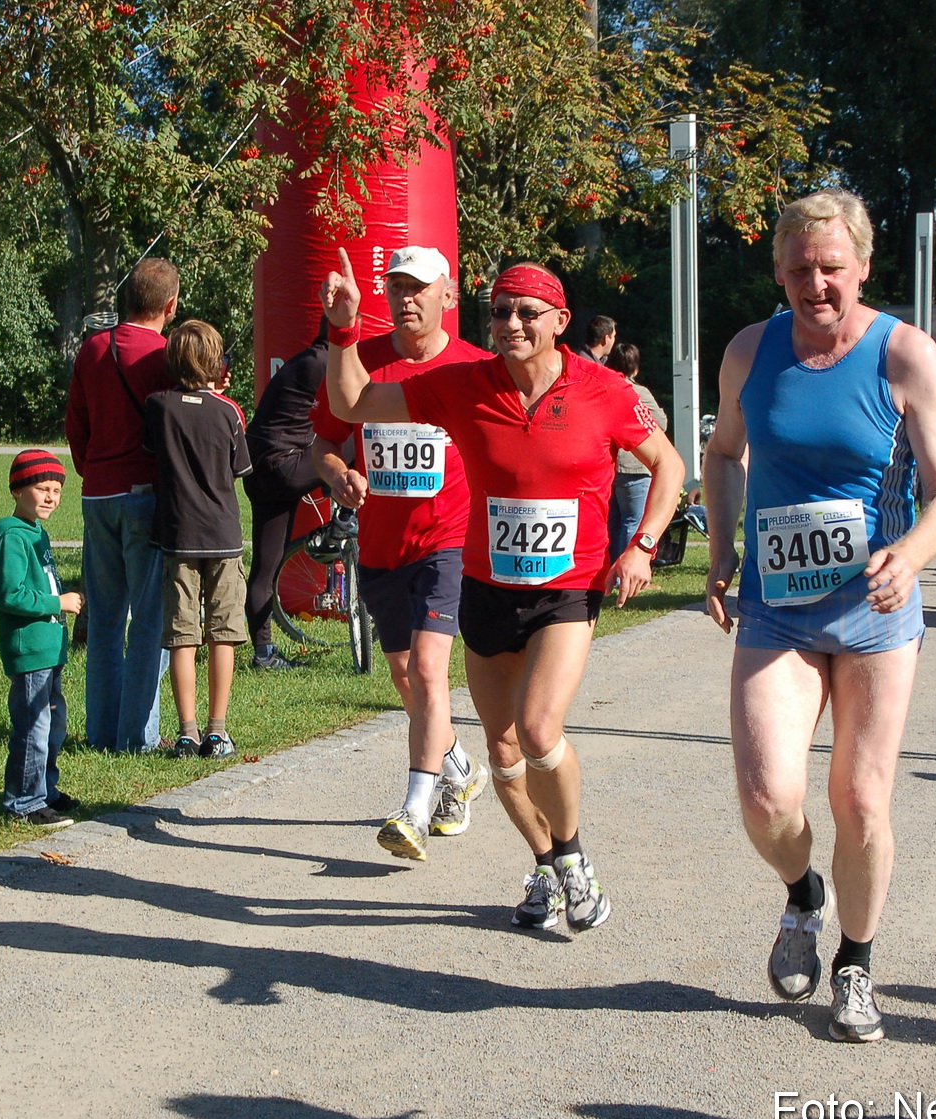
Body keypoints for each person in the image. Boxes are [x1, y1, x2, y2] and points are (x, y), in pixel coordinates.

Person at [323, 251, 684, 933]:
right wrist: (343, 331)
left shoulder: (605, 389)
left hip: (567, 590)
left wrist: (641, 546)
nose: (511, 324)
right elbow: (351, 404)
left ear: (561, 320)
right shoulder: (463, 385)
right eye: (500, 313)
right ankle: (546, 864)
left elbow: (668, 463)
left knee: (541, 730)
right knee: (504, 752)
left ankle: (573, 859)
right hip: (487, 588)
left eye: (527, 313)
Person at [702, 188, 936, 1043]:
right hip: (776, 608)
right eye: (799, 270)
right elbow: (723, 452)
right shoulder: (751, 350)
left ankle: (855, 961)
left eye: (831, 268)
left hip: (874, 610)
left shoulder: (906, 354)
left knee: (859, 799)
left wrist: (910, 555)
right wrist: (720, 552)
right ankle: (802, 893)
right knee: (766, 798)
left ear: (863, 266)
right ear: (778, 272)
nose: (816, 285)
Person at [309, 246, 493, 861]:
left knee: (430, 670)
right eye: (396, 287)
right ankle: (459, 767)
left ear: (448, 295)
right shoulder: (360, 362)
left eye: (419, 287)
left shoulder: (478, 367)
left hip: (450, 540)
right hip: (384, 545)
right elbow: (323, 441)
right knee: (404, 676)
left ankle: (416, 807)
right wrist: (338, 473)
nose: (406, 298)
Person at [65, 259, 179, 752]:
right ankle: (137, 735)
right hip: (145, 494)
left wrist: (92, 470)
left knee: (106, 620)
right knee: (151, 619)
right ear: (170, 305)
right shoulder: (167, 356)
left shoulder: (94, 347)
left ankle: (100, 730)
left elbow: (76, 423)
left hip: (98, 494)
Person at [145, 319, 253, 758]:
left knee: (182, 635)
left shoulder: (158, 406)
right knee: (222, 632)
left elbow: (151, 451)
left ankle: (186, 732)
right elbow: (239, 468)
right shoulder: (229, 412)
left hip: (178, 535)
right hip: (223, 534)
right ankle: (217, 730)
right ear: (215, 363)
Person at [0, 451, 85, 827]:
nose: (51, 497)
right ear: (17, 490)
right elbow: (10, 595)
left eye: (56, 490)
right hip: (30, 647)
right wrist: (58, 602)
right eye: (41, 489)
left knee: (52, 723)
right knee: (34, 726)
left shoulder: (37, 532)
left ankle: (44, 789)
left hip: (49, 647)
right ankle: (24, 800)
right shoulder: (11, 537)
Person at [243, 323, 327, 670]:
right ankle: (345, 521)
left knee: (266, 567)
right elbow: (357, 408)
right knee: (355, 443)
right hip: (282, 466)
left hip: (261, 470)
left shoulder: (309, 358)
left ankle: (263, 653)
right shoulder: (323, 363)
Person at [605, 343, 670, 561]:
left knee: (612, 523)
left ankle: (608, 569)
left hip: (611, 465)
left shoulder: (603, 388)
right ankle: (626, 571)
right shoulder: (639, 392)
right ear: (635, 367)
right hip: (634, 466)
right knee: (633, 521)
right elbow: (661, 422)